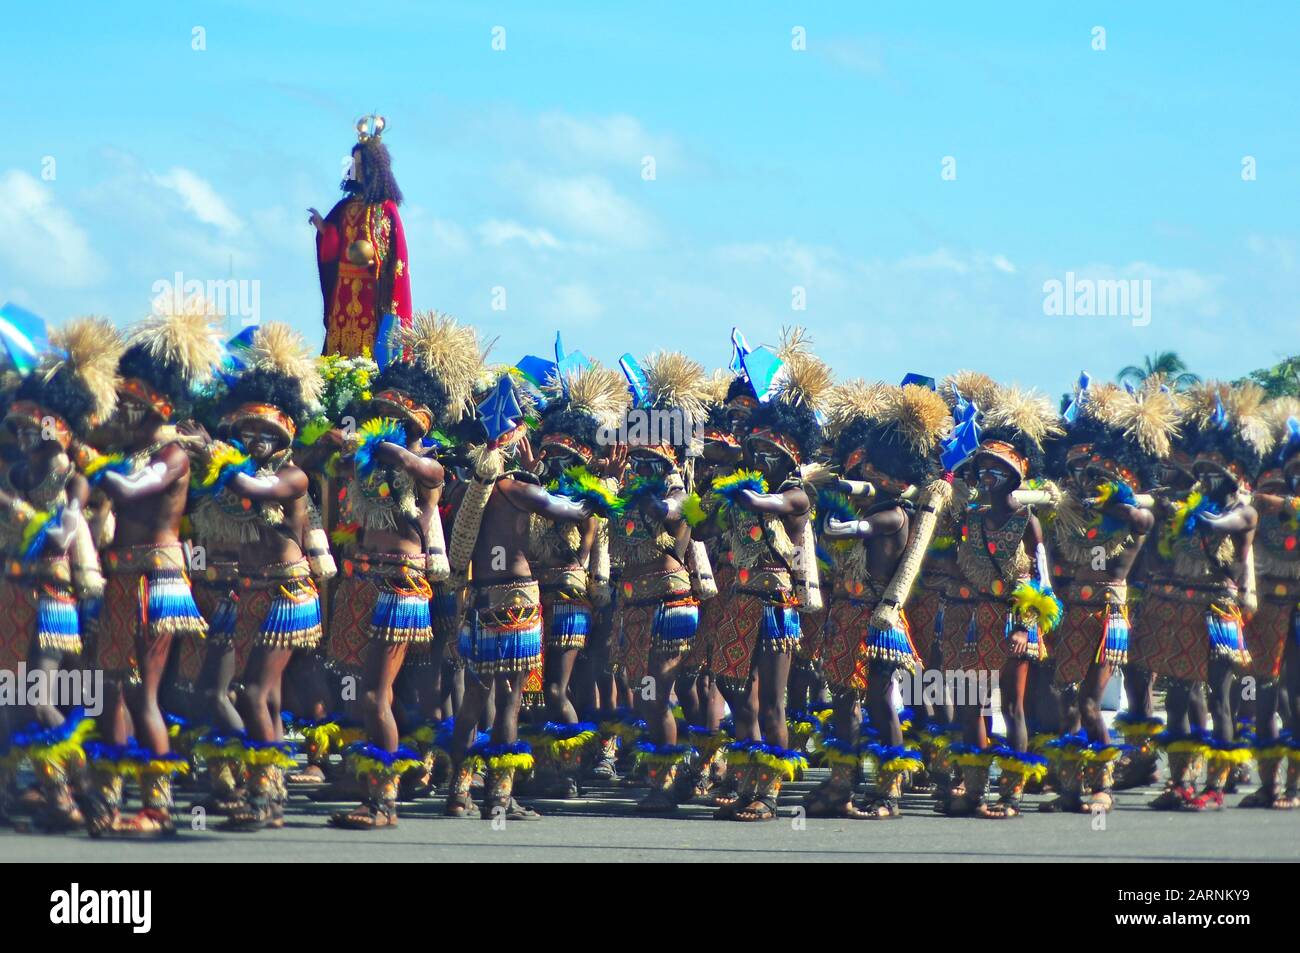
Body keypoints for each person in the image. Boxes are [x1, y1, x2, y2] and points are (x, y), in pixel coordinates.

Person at [326, 312, 479, 829]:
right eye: (379, 415)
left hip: (400, 584)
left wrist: (380, 443)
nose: (383, 424)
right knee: (366, 692)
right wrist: (336, 443)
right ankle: (375, 789)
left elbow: (427, 471)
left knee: (375, 694)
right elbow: (317, 464)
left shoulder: (427, 465)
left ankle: (384, 803)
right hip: (363, 579)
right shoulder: (367, 465)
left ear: (413, 426)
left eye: (394, 417)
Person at [84, 298, 222, 837]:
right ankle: (109, 793)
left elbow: (129, 489)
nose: (121, 413)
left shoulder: (173, 456)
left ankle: (158, 807)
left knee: (144, 693)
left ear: (157, 407)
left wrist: (91, 464)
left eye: (131, 406)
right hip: (121, 577)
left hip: (158, 581)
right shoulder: (127, 451)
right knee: (111, 687)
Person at [182, 324, 328, 831]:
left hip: (289, 591)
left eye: (268, 435)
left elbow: (248, 484)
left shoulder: (293, 477)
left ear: (284, 438)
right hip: (252, 592)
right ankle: (262, 786)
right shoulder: (233, 475)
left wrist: (216, 455)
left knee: (256, 692)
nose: (258, 442)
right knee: (259, 692)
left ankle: (268, 792)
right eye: (248, 435)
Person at [444, 374, 593, 820]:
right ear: (512, 443)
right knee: (508, 699)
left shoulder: (466, 489)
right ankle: (498, 797)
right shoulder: (519, 489)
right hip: (518, 604)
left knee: (473, 699)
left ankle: (457, 791)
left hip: (480, 600)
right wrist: (600, 488)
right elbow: (574, 509)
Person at [694, 330, 828, 821]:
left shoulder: (795, 494)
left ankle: (768, 792)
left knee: (772, 702)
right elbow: (704, 527)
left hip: (775, 607)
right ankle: (744, 773)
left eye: (770, 454)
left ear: (789, 459)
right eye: (757, 452)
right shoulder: (734, 486)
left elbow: (765, 502)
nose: (760, 459)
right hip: (738, 600)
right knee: (733, 690)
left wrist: (742, 488)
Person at [805, 380, 953, 818]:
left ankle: (890, 790)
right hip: (846, 614)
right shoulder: (874, 506)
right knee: (844, 701)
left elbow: (849, 531)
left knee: (878, 698)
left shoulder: (892, 514)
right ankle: (842, 783)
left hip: (878, 620)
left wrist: (837, 523)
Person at [0, 318, 117, 830]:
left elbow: (63, 535)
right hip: (11, 594)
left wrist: (14, 511)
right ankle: (49, 793)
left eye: (35, 428)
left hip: (54, 599)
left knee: (39, 697)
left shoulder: (74, 481)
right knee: (12, 700)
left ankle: (84, 792)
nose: (26, 437)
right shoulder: (14, 473)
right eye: (19, 428)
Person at [1038, 382, 1174, 813]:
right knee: (1065, 700)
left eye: (1094, 472)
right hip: (1067, 613)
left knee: (1090, 703)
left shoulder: (1129, 514)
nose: (1084, 479)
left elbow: (1142, 517)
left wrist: (1112, 497)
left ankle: (1103, 787)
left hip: (1106, 614)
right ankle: (1069, 787)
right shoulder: (1066, 515)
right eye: (1077, 470)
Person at [1140, 383, 1265, 810]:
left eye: (1216, 472)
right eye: (1203, 471)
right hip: (1177, 608)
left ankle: (1216, 783)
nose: (1207, 479)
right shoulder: (1183, 504)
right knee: (1178, 695)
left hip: (1216, 611)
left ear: (1232, 475)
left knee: (1218, 696)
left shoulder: (1242, 511)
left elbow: (1217, 524)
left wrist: (1180, 507)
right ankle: (1180, 781)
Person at [941, 385, 1061, 819]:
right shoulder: (969, 517)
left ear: (1014, 476)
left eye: (996, 470)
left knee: (1011, 707)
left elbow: (1041, 584)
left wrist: (1022, 626)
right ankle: (974, 789)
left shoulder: (1028, 523)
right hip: (969, 621)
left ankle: (1010, 793)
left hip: (1012, 622)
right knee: (971, 705)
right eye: (983, 469)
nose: (986, 476)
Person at [607, 351, 709, 812]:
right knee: (655, 693)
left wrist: (660, 483)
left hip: (671, 605)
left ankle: (668, 781)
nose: (639, 466)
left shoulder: (681, 494)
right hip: (636, 604)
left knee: (658, 693)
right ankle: (693, 766)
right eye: (638, 458)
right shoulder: (630, 492)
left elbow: (669, 515)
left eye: (650, 458)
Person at [529, 362, 625, 798]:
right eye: (551, 455)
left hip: (571, 600)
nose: (556, 463)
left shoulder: (588, 498)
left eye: (566, 457)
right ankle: (547, 767)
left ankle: (569, 770)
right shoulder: (531, 490)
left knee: (558, 686)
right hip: (533, 598)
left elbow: (587, 546)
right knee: (533, 688)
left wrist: (602, 485)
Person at [311, 115, 411, 358]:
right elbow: (333, 251)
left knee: (368, 345)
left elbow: (395, 257)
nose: (355, 168)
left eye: (360, 163)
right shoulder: (344, 207)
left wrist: (372, 259)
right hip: (343, 291)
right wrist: (324, 229)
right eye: (353, 163)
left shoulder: (385, 208)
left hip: (372, 290)